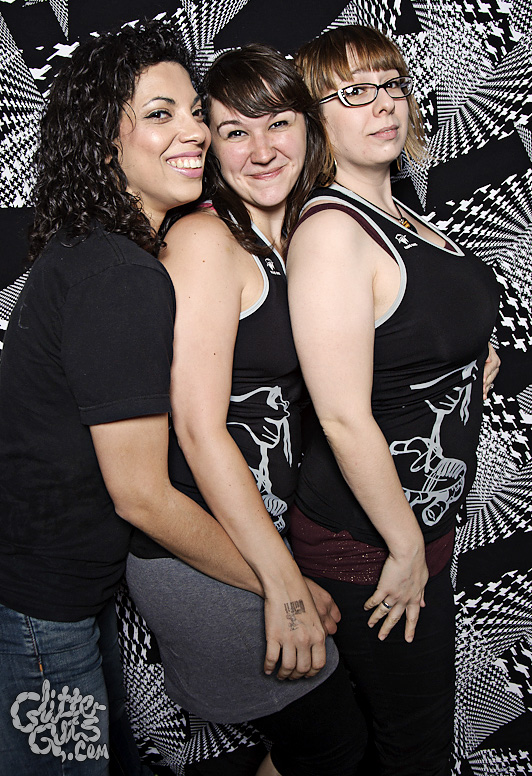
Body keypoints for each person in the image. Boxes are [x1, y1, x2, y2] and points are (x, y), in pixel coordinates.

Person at [0, 21, 276, 776]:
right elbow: (142, 496)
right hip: (42, 616)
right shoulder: (118, 274)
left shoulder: (95, 252)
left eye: (195, 111)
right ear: (104, 142)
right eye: (160, 114)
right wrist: (275, 586)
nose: (195, 131)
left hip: (60, 604)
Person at [126, 44, 365, 776]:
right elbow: (198, 430)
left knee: (317, 749)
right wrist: (282, 583)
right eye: (235, 131)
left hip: (260, 536)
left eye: (278, 123)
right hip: (197, 551)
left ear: (308, 128)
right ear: (212, 145)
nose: (261, 151)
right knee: (333, 746)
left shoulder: (300, 239)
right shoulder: (207, 240)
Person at [286, 25, 500, 776]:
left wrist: (468, 361)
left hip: (421, 530)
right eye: (354, 92)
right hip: (371, 546)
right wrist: (405, 550)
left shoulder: (406, 217)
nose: (383, 103)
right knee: (413, 749)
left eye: (391, 84)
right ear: (317, 121)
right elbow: (342, 416)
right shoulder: (332, 231)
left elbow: (409, 333)